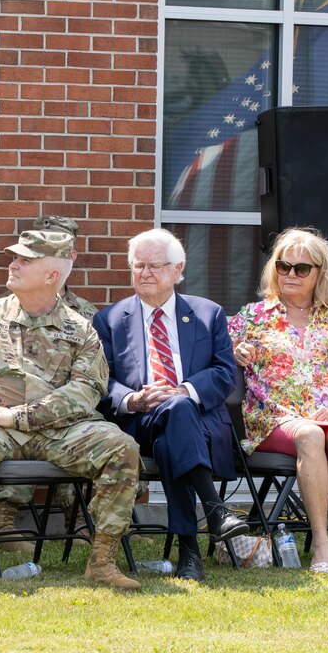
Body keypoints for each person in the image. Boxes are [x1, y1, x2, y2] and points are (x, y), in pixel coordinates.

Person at [0, 230, 141, 588]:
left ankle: (102, 560)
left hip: (61, 431)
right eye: (13, 257)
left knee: (121, 445)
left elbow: (84, 392)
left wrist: (20, 416)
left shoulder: (81, 330)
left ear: (52, 276)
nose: (13, 264)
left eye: (25, 260)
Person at [93, 228, 247, 582]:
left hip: (199, 421)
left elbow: (225, 374)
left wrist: (185, 391)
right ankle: (215, 511)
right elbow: (101, 382)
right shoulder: (109, 320)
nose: (145, 273)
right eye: (138, 266)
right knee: (170, 422)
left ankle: (189, 552)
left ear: (178, 270)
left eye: (154, 266)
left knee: (172, 435)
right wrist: (133, 399)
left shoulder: (209, 314)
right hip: (139, 423)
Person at [228, 227, 328, 577]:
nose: (290, 274)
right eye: (283, 266)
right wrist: (234, 352)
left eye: (301, 268)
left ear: (320, 273)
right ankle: (321, 543)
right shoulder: (252, 316)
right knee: (310, 434)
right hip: (276, 419)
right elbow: (211, 353)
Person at [0, 215, 100, 553]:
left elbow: (91, 377)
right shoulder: (5, 309)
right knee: (23, 418)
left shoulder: (86, 315)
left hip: (63, 411)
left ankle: (79, 521)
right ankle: (1, 520)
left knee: (79, 422)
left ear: (70, 256)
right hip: (14, 409)